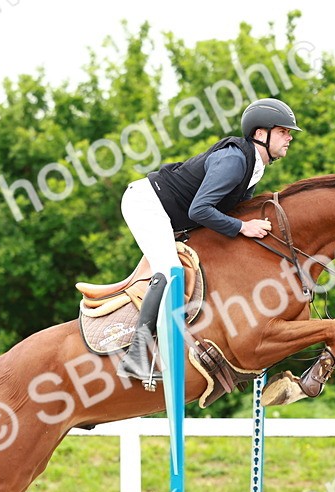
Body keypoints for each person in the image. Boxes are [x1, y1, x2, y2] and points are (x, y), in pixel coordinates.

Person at [115, 98, 301, 389]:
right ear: (260, 133)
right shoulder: (235, 160)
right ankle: (137, 354)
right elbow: (199, 210)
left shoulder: (256, 166)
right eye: (283, 131)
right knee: (170, 271)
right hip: (147, 204)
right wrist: (243, 227)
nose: (290, 137)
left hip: (172, 214)